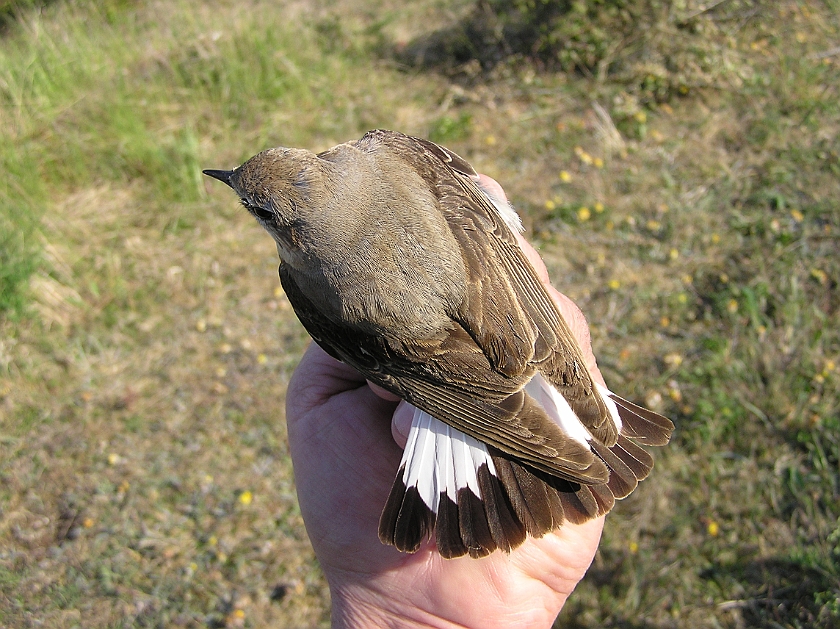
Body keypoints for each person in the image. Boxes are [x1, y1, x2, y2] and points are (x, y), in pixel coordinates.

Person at [285, 177, 605, 628]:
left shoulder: (306, 281)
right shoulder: (397, 154)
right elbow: (496, 239)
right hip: (507, 325)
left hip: (461, 377)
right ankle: (565, 416)